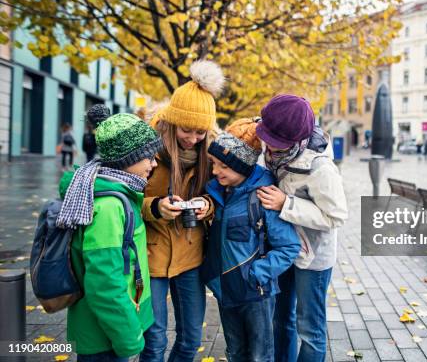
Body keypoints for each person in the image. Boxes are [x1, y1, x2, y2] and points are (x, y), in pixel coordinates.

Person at [56, 105, 163, 361]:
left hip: (111, 328)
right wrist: (129, 338)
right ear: (127, 159)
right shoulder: (108, 208)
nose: (155, 162)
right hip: (106, 337)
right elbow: (104, 283)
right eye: (148, 156)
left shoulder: (121, 194)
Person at [255, 95, 348, 362]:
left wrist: (287, 203)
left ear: (296, 140)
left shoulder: (321, 168)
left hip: (313, 257)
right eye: (268, 140)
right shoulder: (271, 144)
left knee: (309, 330)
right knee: (280, 318)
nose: (269, 148)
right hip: (283, 250)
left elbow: (336, 216)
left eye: (277, 144)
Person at [140, 60, 220, 362]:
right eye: (188, 129)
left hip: (191, 256)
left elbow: (220, 195)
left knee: (191, 341)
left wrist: (207, 206)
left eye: (201, 132)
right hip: (151, 257)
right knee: (154, 342)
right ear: (173, 121)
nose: (194, 138)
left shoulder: (210, 151)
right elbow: (128, 199)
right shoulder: (146, 149)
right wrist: (156, 207)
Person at [202, 118, 301, 362]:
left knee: (259, 356)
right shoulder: (218, 191)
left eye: (223, 166)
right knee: (235, 352)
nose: (215, 172)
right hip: (225, 290)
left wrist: (256, 273)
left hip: (256, 293)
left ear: (242, 167)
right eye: (213, 164)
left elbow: (289, 247)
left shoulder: (263, 196)